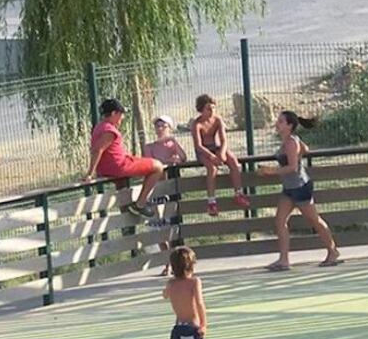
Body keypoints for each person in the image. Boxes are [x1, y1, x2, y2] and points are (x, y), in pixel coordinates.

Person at [264, 111, 341, 272]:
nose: (277, 124)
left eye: (281, 122)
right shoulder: (289, 141)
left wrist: (271, 171)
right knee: (280, 221)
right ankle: (284, 260)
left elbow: (292, 167)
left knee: (314, 220)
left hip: (300, 187)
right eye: (278, 121)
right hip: (289, 189)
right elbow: (306, 149)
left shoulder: (291, 142)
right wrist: (299, 152)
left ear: (289, 126)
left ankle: (333, 252)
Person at [85, 98, 163, 220]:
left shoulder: (99, 127)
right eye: (120, 114)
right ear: (113, 114)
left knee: (123, 186)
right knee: (158, 167)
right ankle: (140, 203)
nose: (122, 117)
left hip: (109, 167)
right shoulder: (109, 130)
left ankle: (126, 221)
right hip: (119, 166)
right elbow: (97, 150)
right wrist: (89, 174)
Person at [190, 95, 248, 218]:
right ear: (201, 109)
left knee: (233, 161)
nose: (211, 112)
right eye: (208, 109)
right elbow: (198, 145)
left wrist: (221, 152)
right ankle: (211, 202)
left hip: (215, 147)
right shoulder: (197, 124)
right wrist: (211, 156)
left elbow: (224, 140)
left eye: (213, 108)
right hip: (203, 151)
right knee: (212, 169)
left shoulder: (217, 120)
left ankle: (238, 193)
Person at [141, 118, 187, 275]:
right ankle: (168, 262)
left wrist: (173, 142)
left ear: (169, 128)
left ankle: (176, 263)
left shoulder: (172, 144)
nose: (160, 128)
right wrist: (168, 160)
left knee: (171, 227)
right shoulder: (150, 147)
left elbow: (183, 157)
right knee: (156, 227)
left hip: (171, 192)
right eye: (157, 125)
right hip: (155, 191)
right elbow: (151, 163)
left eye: (163, 125)